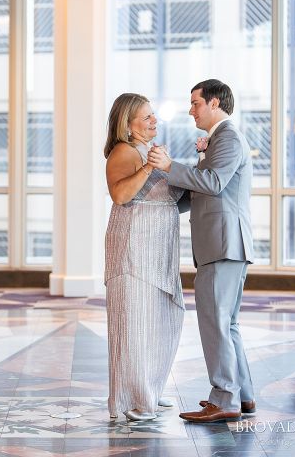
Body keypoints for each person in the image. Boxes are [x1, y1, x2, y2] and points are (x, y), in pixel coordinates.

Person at [148, 79, 255, 424]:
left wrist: (168, 167)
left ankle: (224, 399)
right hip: (223, 243)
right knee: (228, 324)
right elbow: (206, 189)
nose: (190, 110)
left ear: (214, 103)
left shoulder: (228, 137)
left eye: (195, 103)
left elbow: (212, 183)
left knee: (216, 324)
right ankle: (244, 396)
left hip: (222, 244)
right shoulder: (219, 140)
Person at [103, 93, 185, 422]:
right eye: (147, 117)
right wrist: (150, 166)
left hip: (157, 252)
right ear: (128, 124)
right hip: (134, 253)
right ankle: (135, 399)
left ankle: (149, 387)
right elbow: (121, 194)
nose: (155, 121)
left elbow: (167, 196)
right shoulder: (124, 152)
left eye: (154, 115)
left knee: (158, 323)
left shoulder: (146, 151)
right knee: (135, 326)